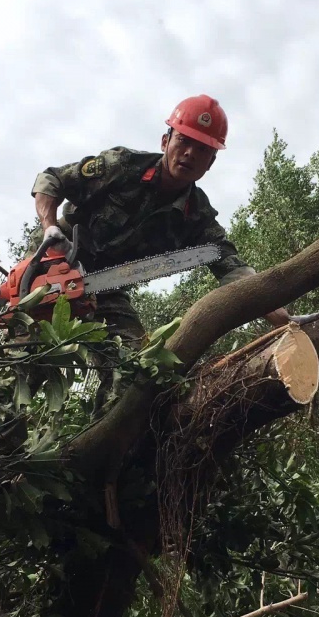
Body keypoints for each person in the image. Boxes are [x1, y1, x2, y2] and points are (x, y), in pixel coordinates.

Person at [30, 94, 290, 412]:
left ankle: (101, 443)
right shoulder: (121, 166)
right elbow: (51, 179)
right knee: (27, 360)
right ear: (166, 140)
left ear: (211, 162)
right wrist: (49, 228)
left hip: (104, 290)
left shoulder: (197, 215)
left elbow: (233, 267)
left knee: (137, 369)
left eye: (203, 149)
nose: (190, 153)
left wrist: (276, 310)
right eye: (184, 141)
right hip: (55, 268)